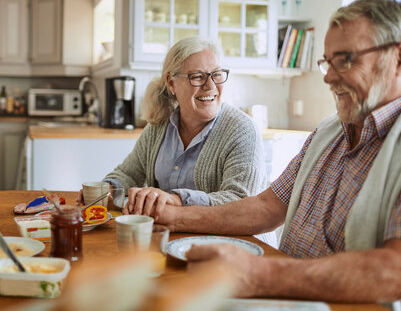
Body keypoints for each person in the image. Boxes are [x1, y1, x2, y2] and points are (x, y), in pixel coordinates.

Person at [155, 0, 401, 310]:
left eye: (345, 59)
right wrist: (174, 216)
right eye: (328, 61)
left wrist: (259, 275)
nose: (328, 76)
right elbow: (267, 207)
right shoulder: (329, 131)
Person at [77, 36, 271, 241]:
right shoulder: (159, 125)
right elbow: (128, 173)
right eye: (197, 77)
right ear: (171, 83)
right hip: (173, 239)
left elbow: (240, 201)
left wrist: (175, 199)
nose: (210, 86)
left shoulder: (242, 130)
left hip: (237, 247)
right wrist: (106, 189)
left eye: (216, 74)